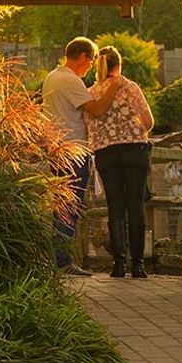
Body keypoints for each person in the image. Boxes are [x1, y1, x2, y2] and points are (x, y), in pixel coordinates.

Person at [41, 36, 128, 276]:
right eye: (90, 61)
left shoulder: (52, 77)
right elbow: (98, 109)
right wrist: (115, 86)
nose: (90, 66)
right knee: (70, 206)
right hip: (73, 151)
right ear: (82, 57)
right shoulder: (70, 80)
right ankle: (62, 262)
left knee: (61, 205)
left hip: (58, 149)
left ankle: (60, 259)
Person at [86, 45, 154, 279]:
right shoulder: (130, 87)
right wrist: (132, 129)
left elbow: (90, 126)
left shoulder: (92, 92)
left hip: (107, 154)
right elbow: (148, 120)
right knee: (136, 206)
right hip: (135, 151)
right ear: (119, 65)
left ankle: (118, 264)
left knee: (115, 209)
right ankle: (138, 265)